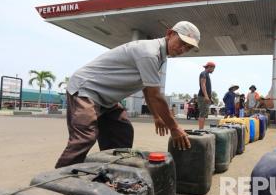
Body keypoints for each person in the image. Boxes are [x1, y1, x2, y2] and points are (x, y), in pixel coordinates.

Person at [55, 21, 199, 168]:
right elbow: (155, 96)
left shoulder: (159, 56)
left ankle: (114, 169)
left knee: (121, 131)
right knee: (85, 137)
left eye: (188, 48)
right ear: (169, 34)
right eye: (182, 42)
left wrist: (157, 116)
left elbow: (147, 90)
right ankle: (55, 182)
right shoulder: (150, 53)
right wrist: (174, 128)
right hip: (86, 90)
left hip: (106, 100)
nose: (182, 49)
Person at [198, 61, 215, 129]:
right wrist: (206, 96)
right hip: (202, 96)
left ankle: (201, 129)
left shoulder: (206, 74)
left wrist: (210, 97)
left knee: (204, 114)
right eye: (213, 68)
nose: (213, 70)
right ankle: (200, 130)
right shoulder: (204, 73)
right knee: (202, 114)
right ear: (209, 67)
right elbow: (203, 85)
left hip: (205, 96)